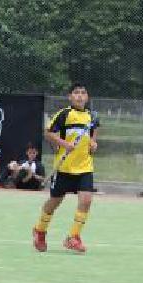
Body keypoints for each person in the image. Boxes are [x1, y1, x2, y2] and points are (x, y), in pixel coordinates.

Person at [32, 84, 100, 253]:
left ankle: (73, 237)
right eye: (76, 93)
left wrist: (93, 143)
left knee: (86, 200)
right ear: (70, 97)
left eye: (83, 93)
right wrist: (64, 144)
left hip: (84, 167)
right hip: (64, 167)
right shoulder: (64, 115)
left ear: (87, 97)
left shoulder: (92, 116)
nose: (80, 96)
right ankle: (40, 230)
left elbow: (93, 134)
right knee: (54, 202)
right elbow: (48, 133)